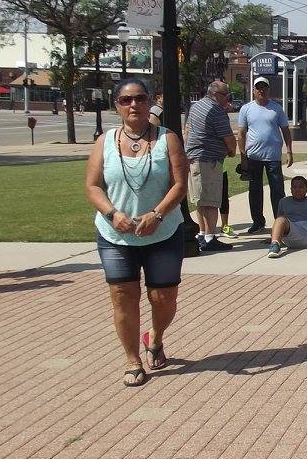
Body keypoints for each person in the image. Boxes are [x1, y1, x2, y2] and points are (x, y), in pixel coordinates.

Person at [85, 78, 187, 386]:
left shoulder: (167, 139)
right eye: (126, 100)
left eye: (140, 99)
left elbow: (180, 184)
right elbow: (92, 186)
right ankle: (132, 359)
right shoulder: (105, 141)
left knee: (163, 297)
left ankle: (155, 337)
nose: (134, 105)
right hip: (116, 234)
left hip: (162, 232)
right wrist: (112, 213)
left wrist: (157, 214)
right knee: (122, 294)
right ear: (116, 104)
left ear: (148, 102)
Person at [185, 80, 236, 252]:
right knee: (213, 201)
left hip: (194, 158)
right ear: (215, 95)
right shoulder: (216, 111)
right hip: (209, 160)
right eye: (225, 95)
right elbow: (229, 138)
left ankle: (202, 234)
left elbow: (188, 130)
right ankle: (209, 237)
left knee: (200, 200)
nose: (228, 98)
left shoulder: (196, 106)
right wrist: (231, 151)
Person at [238, 77, 293, 234]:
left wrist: (289, 150)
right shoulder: (246, 109)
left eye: (264, 88)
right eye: (258, 88)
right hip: (253, 156)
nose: (261, 90)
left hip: (273, 157)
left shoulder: (276, 108)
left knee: (277, 191)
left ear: (269, 90)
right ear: (254, 90)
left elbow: (285, 130)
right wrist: (243, 157)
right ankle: (258, 222)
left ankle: (280, 221)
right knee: (255, 191)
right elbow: (241, 134)